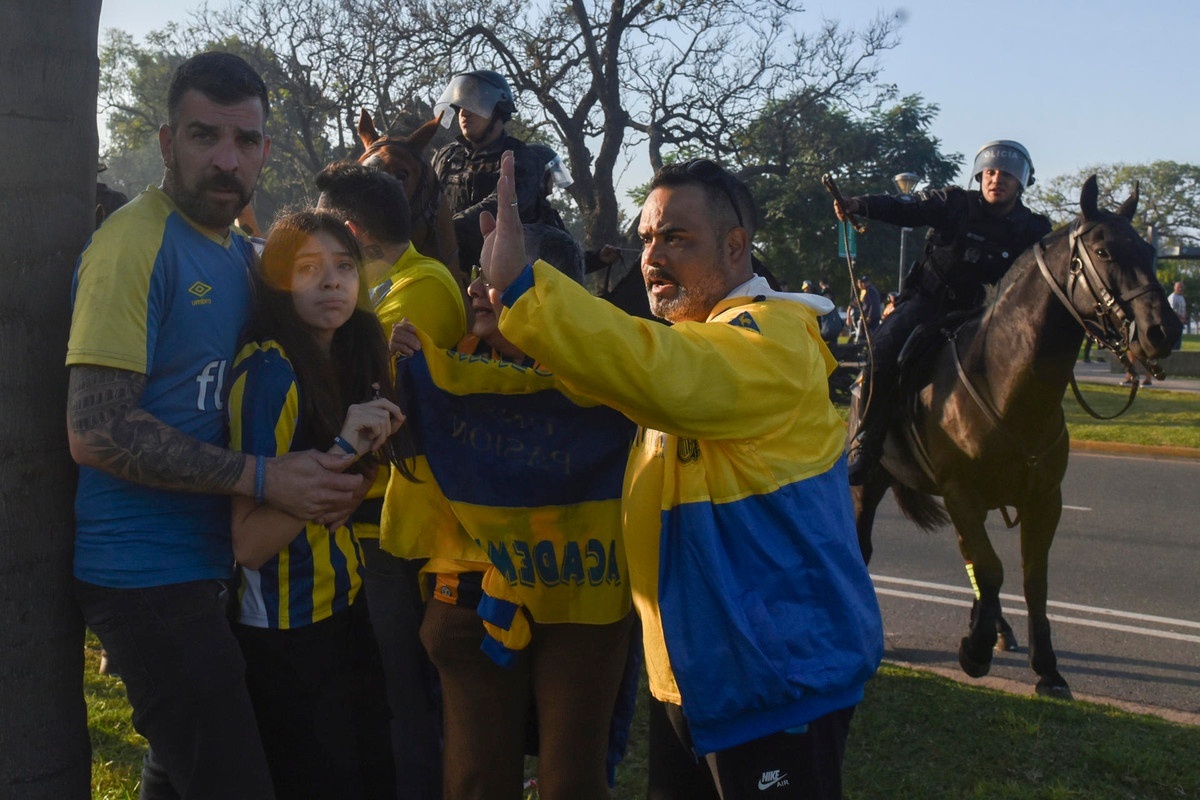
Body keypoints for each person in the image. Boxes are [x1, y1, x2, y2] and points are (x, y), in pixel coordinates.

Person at [480, 153, 883, 799]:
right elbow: (628, 378)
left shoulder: (772, 339)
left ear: (735, 246)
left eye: (676, 238)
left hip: (777, 681)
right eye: (646, 239)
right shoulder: (697, 344)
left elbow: (662, 372)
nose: (652, 257)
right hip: (698, 679)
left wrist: (527, 295)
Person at [66, 52, 364, 799]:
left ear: (265, 149)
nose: (225, 161)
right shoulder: (133, 244)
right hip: (145, 576)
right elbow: (94, 429)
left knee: (182, 773)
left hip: (218, 566)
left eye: (244, 141)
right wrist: (267, 479)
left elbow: (321, 315)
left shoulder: (239, 254)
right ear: (167, 143)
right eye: (204, 137)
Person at [228, 210, 406, 799]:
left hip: (345, 605)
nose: (332, 282)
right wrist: (345, 448)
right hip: (283, 631)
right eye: (308, 268)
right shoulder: (269, 371)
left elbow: (343, 492)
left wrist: (356, 473)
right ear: (278, 280)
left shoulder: (348, 352)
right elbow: (249, 545)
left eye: (343, 266)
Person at [315, 161, 466, 799]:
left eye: (326, 235)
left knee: (402, 693)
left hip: (391, 526)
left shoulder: (421, 286)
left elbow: (355, 388)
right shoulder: (386, 289)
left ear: (352, 231)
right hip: (363, 516)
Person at [835, 139, 1052, 485]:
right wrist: (860, 205)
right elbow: (905, 206)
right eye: (991, 173)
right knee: (881, 352)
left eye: (1007, 175)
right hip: (926, 303)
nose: (998, 180)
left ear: (1022, 183)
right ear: (981, 176)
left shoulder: (1035, 229)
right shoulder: (953, 203)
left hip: (983, 316)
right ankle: (866, 441)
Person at [431, 69, 548, 270]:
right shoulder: (445, 157)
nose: (463, 113)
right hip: (445, 267)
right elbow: (425, 201)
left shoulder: (522, 158)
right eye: (459, 107)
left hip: (504, 277)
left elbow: (502, 207)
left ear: (499, 111)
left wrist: (444, 229)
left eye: (473, 105)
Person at [1168, 281, 1187, 348]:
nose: (1180, 289)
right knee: (1174, 342)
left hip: (1180, 322)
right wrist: (1181, 317)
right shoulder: (1173, 297)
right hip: (1173, 322)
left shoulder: (1181, 297)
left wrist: (1184, 317)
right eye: (1178, 287)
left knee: (1179, 342)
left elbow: (1183, 309)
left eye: (1181, 287)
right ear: (1174, 288)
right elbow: (1171, 310)